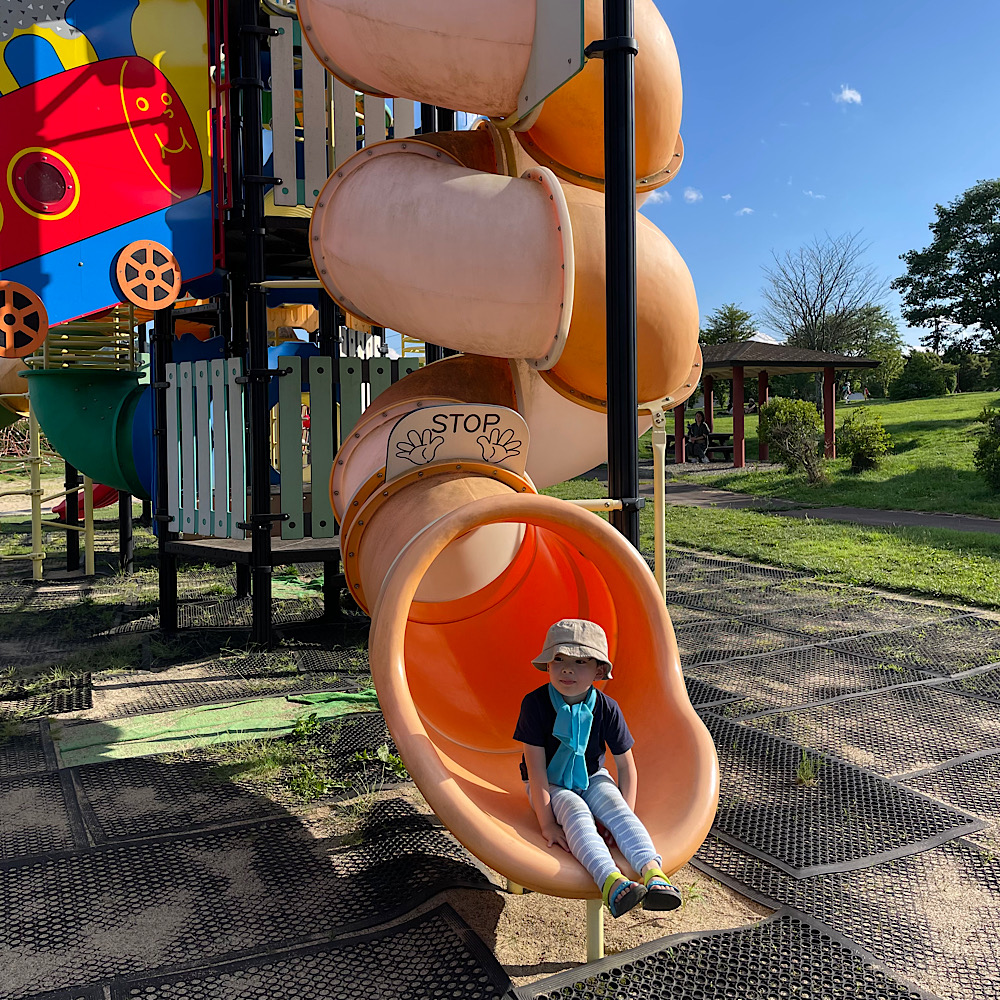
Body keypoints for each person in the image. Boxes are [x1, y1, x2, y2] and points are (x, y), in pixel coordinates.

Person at [513, 619, 683, 918]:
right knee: (576, 811)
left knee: (616, 805)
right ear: (548, 666)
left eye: (580, 661)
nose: (568, 669)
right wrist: (547, 823)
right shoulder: (535, 704)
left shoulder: (607, 708)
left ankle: (654, 873)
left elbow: (626, 767)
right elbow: (536, 769)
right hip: (551, 785)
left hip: (592, 776)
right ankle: (611, 881)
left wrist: (622, 817)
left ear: (599, 671)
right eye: (559, 660)